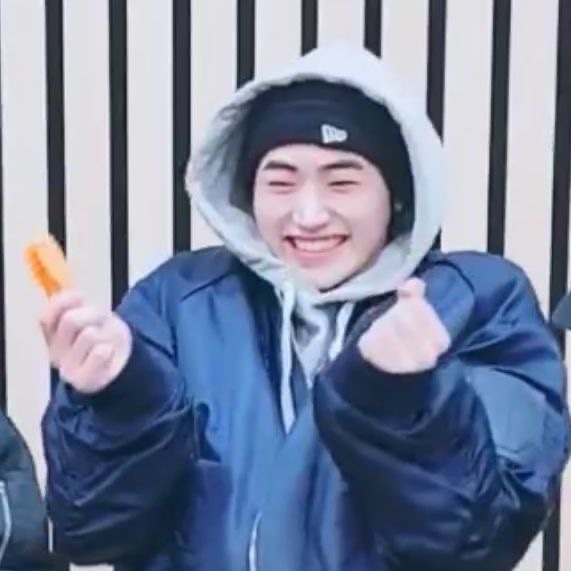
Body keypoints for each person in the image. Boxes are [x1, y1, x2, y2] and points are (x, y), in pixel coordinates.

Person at [40, 44, 570, 570]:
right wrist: (122, 397)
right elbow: (90, 533)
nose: (309, 214)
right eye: (280, 182)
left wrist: (402, 400)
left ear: (397, 194)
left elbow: (478, 544)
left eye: (343, 182)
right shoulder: (176, 303)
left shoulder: (476, 304)